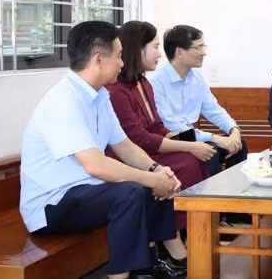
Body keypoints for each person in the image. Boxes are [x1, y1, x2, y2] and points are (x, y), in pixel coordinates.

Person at [19, 21, 187, 279]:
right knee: (130, 192)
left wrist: (157, 170)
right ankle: (122, 276)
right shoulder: (63, 101)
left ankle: (155, 263)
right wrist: (149, 178)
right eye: (119, 56)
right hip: (51, 204)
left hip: (86, 190)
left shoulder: (100, 96)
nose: (123, 63)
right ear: (98, 59)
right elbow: (95, 165)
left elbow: (125, 146)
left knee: (155, 182)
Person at [106, 21, 214, 233]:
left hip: (149, 149)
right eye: (155, 47)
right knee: (187, 162)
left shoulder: (144, 84)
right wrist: (189, 146)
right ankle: (175, 234)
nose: (160, 53)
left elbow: (156, 126)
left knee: (199, 157)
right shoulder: (117, 91)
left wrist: (184, 140)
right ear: (138, 49)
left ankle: (190, 229)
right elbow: (139, 138)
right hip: (130, 156)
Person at [150, 25, 247, 177]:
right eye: (199, 47)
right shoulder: (156, 82)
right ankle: (209, 199)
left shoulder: (197, 78)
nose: (204, 52)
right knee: (210, 152)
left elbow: (213, 109)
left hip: (194, 137)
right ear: (179, 52)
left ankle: (235, 196)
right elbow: (172, 126)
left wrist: (233, 130)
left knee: (239, 145)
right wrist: (214, 138)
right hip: (171, 140)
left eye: (204, 46)